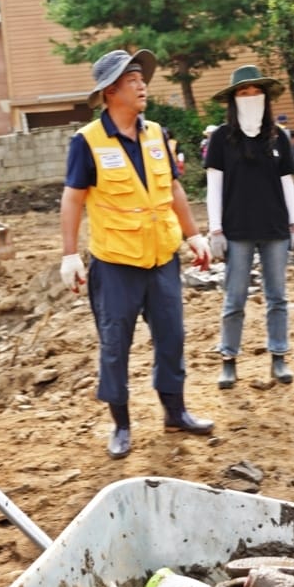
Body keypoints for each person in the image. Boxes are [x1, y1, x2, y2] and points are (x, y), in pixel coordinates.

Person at [59, 49, 214, 459]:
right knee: (115, 345)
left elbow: (174, 189)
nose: (142, 84)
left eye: (142, 78)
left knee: (172, 338)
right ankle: (121, 425)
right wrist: (70, 254)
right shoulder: (87, 141)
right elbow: (73, 199)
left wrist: (193, 235)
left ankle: (175, 412)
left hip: (162, 258)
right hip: (115, 264)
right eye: (132, 79)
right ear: (110, 91)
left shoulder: (156, 134)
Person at [204, 65, 294, 390]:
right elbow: (214, 185)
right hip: (236, 229)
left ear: (265, 96)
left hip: (274, 228)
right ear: (233, 99)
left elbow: (287, 182)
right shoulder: (221, 138)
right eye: (243, 93)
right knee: (234, 299)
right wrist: (215, 229)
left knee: (277, 297)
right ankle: (228, 359)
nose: (250, 97)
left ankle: (278, 356)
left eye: (255, 92)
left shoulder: (278, 137)